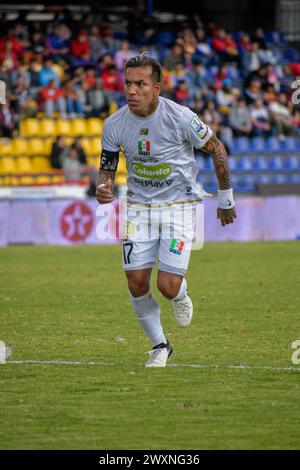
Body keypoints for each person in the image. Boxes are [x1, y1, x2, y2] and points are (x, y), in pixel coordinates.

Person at [96, 53, 237, 368]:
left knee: (167, 286)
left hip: (179, 207)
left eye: (140, 84)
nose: (132, 91)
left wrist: (225, 198)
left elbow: (217, 149)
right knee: (136, 282)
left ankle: (181, 293)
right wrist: (103, 186)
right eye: (128, 83)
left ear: (156, 87)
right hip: (138, 208)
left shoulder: (181, 117)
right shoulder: (115, 124)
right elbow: (107, 167)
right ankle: (160, 345)